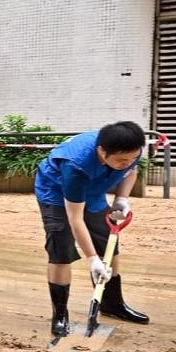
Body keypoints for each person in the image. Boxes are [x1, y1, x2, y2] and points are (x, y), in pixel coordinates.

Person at [34, 120, 149, 337]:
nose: (128, 162)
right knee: (61, 250)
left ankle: (112, 304)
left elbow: (131, 171)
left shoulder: (130, 150)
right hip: (58, 194)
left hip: (94, 191)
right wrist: (92, 259)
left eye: (132, 158)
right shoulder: (76, 166)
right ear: (101, 152)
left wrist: (122, 199)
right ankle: (60, 315)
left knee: (108, 245)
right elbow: (75, 218)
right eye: (121, 160)